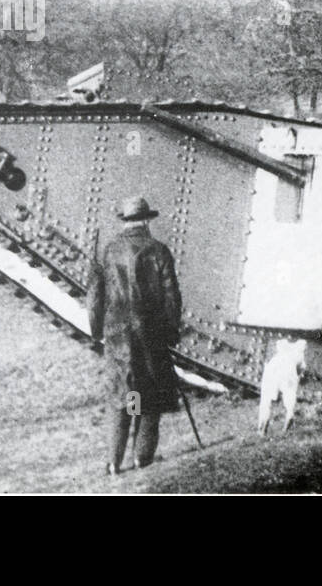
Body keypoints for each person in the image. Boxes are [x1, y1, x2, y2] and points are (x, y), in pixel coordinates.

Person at [87, 196, 183, 475]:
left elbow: (95, 296)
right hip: (151, 335)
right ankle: (142, 457)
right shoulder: (159, 251)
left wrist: (97, 331)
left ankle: (114, 462)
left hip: (118, 336)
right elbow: (172, 297)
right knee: (149, 396)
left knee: (126, 395)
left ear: (125, 221)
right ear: (147, 220)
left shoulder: (110, 251)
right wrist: (171, 332)